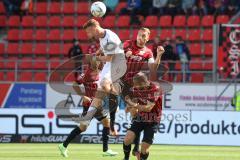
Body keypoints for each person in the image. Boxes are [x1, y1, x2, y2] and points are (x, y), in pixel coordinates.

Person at [58, 57, 118, 157]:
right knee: (83, 127)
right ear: (92, 63)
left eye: (100, 61)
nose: (100, 62)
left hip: (98, 104)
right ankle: (63, 145)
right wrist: (83, 96)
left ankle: (105, 150)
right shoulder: (86, 74)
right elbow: (74, 84)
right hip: (89, 104)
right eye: (97, 61)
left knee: (105, 123)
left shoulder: (102, 73)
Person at [120, 27, 164, 157]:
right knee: (134, 113)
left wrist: (159, 55)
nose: (141, 38)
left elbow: (153, 68)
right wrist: (125, 54)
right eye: (140, 35)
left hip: (137, 85)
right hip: (125, 83)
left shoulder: (148, 52)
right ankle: (133, 149)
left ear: (147, 38)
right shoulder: (128, 43)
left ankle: (136, 148)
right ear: (137, 35)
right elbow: (123, 51)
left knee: (135, 112)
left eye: (144, 36)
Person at [78, 19, 127, 127]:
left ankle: (117, 99)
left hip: (118, 63)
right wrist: (99, 51)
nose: (87, 35)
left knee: (104, 84)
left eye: (88, 32)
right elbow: (104, 47)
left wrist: (95, 57)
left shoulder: (110, 37)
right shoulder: (101, 36)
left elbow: (110, 58)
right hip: (110, 64)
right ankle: (87, 119)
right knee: (99, 92)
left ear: (94, 28)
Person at [123, 72, 163, 160]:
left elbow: (148, 108)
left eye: (137, 85)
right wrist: (128, 106)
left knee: (144, 148)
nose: (135, 87)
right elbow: (134, 98)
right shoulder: (136, 88)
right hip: (140, 117)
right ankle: (126, 158)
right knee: (127, 139)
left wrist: (132, 104)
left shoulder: (155, 89)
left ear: (143, 83)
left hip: (153, 119)